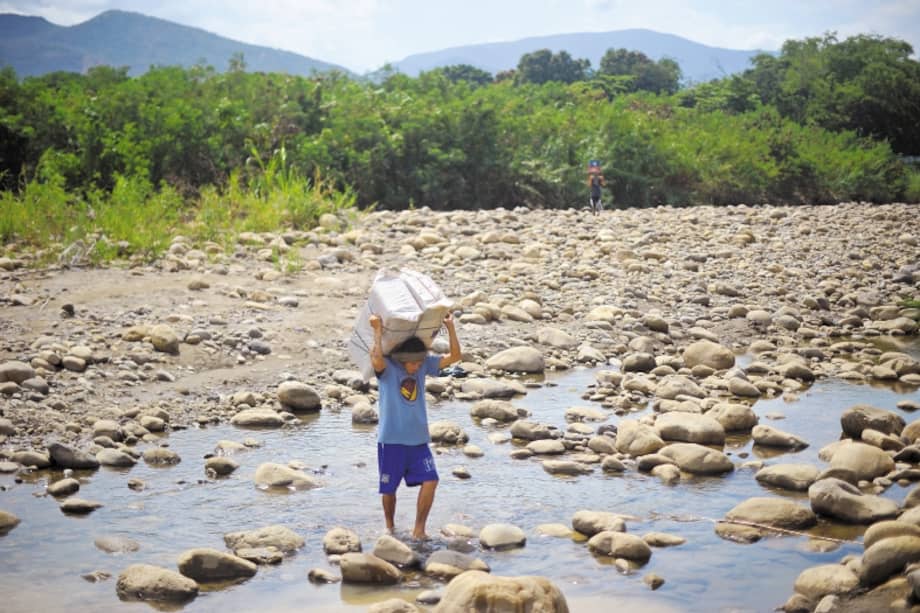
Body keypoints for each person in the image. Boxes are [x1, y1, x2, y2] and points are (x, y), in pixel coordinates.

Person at [369, 312, 462, 539]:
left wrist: (450, 327)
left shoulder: (423, 366)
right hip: (391, 441)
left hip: (419, 441)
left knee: (432, 480)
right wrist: (378, 330)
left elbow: (456, 357)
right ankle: (389, 527)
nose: (416, 366)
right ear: (402, 359)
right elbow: (376, 358)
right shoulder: (388, 368)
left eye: (419, 362)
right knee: (389, 489)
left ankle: (419, 529)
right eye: (412, 363)